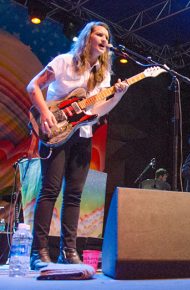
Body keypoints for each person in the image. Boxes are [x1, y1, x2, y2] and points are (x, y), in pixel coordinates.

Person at [26, 21, 129, 270]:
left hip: (82, 134)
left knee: (74, 195)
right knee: (50, 191)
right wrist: (45, 113)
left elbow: (96, 112)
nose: (105, 39)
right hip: (54, 131)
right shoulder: (64, 61)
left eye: (107, 36)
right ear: (88, 37)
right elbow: (33, 86)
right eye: (100, 34)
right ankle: (38, 251)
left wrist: (118, 95)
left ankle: (68, 251)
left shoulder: (102, 74)